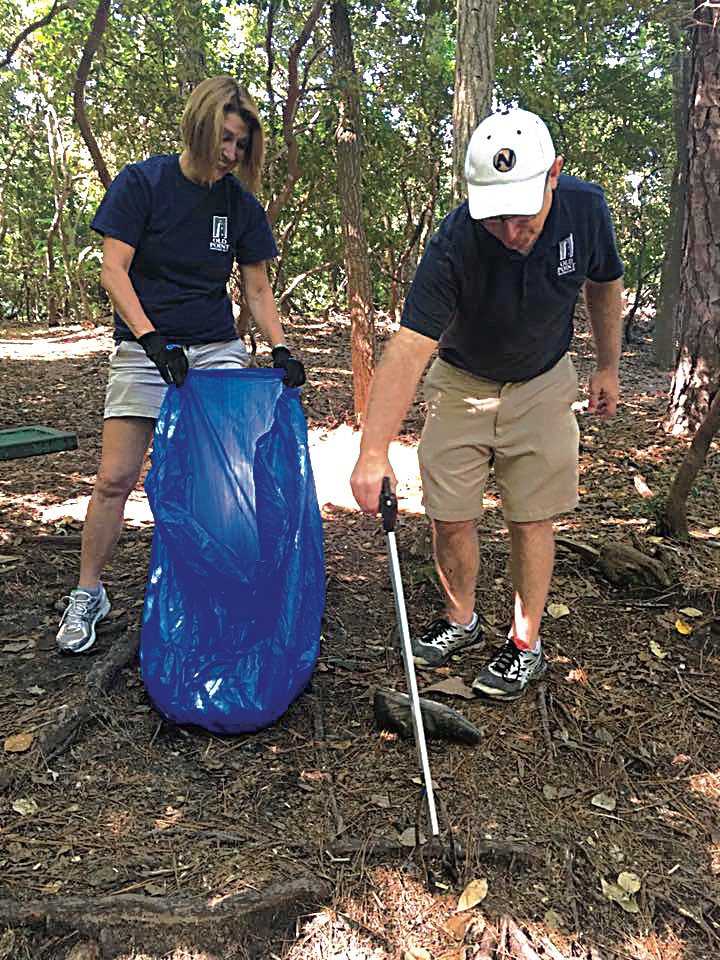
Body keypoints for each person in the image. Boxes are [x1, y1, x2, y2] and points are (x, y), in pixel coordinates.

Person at [351, 108, 623, 701]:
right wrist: (373, 451)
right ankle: (460, 620)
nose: (510, 232)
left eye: (522, 216)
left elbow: (604, 283)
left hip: (544, 380)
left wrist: (607, 365)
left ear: (554, 175)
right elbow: (410, 346)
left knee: (532, 516)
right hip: (460, 380)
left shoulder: (585, 209)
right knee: (450, 512)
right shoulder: (455, 241)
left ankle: (525, 645)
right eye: (495, 216)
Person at [56, 76, 305, 654]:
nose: (232, 154)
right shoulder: (144, 183)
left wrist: (280, 348)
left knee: (222, 478)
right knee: (116, 478)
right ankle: (88, 593)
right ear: (198, 127)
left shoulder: (238, 204)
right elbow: (113, 271)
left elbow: (258, 286)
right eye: (225, 139)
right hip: (147, 347)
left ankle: (215, 588)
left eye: (241, 145)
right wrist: (150, 341)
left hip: (215, 347)